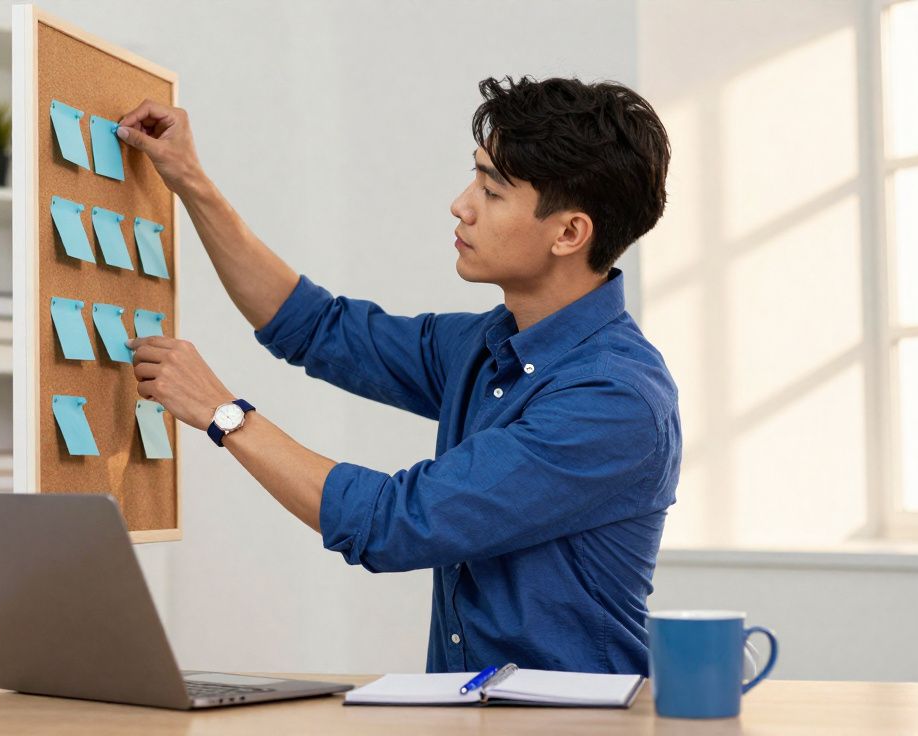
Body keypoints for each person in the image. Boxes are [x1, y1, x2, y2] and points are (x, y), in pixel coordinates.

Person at [117, 75, 680, 676]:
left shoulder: (613, 399)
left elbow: (396, 523)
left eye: (492, 191)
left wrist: (223, 413)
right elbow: (315, 326)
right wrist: (190, 181)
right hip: (468, 715)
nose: (461, 204)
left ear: (569, 233)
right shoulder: (485, 344)